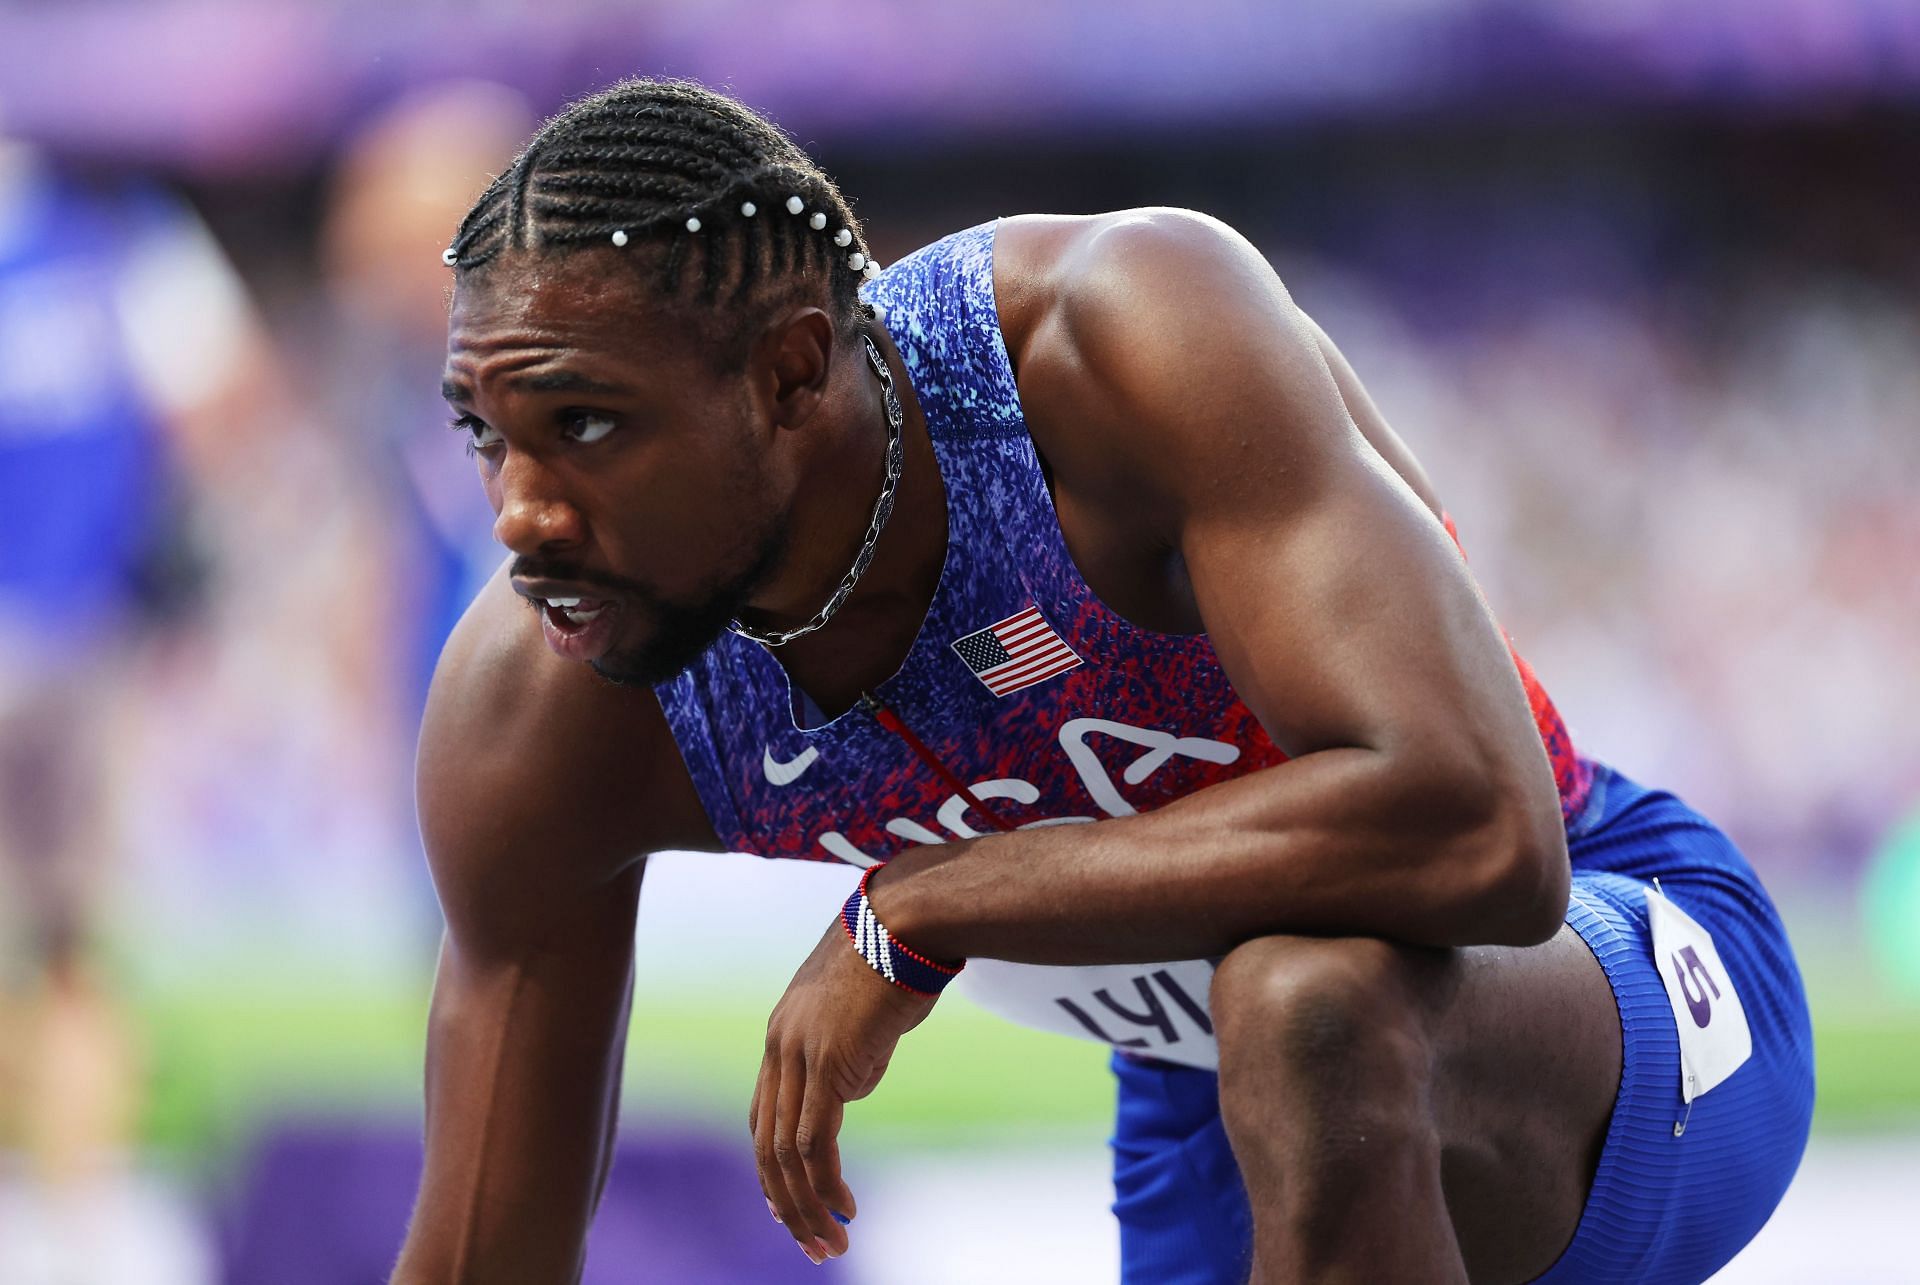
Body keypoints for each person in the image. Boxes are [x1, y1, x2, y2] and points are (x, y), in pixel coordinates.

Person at [395, 79, 1814, 1284]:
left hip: (1616, 983)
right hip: (1227, 1105)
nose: (521, 515)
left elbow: (1484, 830)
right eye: (486, 435)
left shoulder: (1108, 343)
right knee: (1278, 1022)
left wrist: (926, 899)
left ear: (788, 374)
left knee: (1308, 996)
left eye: (584, 423)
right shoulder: (545, 705)